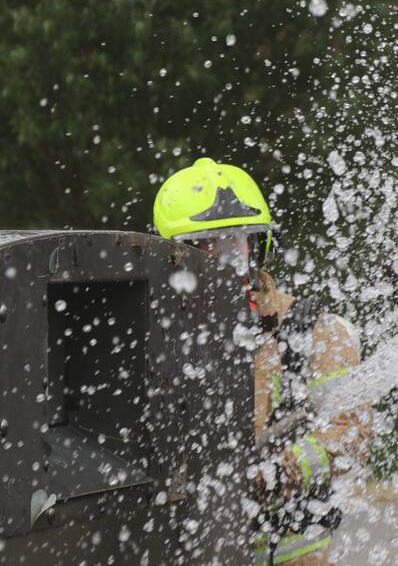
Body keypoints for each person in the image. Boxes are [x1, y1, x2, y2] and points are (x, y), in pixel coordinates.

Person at [153, 157, 370, 565]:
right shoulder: (152, 335)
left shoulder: (314, 331)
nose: (220, 257)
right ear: (167, 258)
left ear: (258, 246)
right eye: (203, 246)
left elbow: (350, 435)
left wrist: (271, 475)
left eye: (234, 241)